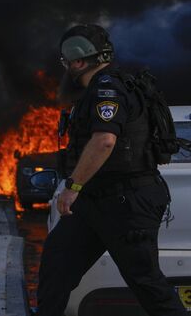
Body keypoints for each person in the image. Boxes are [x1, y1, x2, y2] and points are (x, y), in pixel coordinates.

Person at [35, 24, 187, 316]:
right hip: (96, 202)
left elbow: (104, 141)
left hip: (126, 202)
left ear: (79, 61)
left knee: (147, 283)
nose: (66, 67)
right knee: (57, 265)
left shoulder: (108, 89)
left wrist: (72, 187)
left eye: (67, 61)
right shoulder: (97, 90)